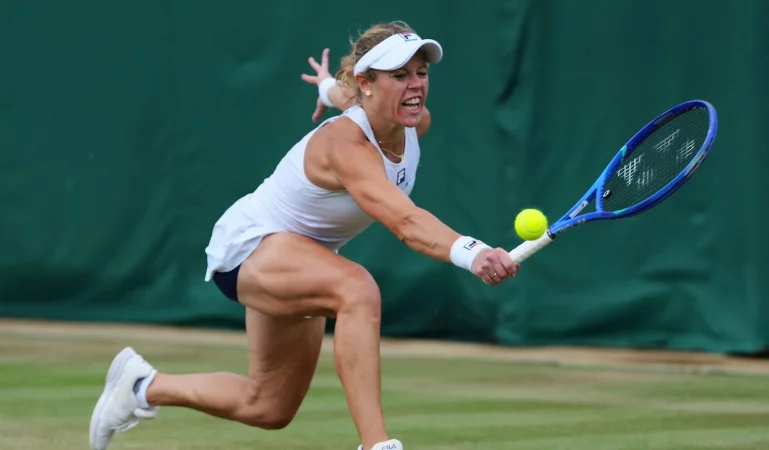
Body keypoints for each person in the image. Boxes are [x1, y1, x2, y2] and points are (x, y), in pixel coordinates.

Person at [89, 20, 519, 450]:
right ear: (367, 83)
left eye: (421, 73)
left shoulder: (412, 122)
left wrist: (326, 88)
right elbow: (405, 222)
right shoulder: (345, 143)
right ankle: (376, 445)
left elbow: (345, 96)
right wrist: (473, 253)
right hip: (250, 247)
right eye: (400, 75)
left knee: (268, 407)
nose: (416, 85)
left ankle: (141, 386)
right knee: (357, 290)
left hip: (303, 259)